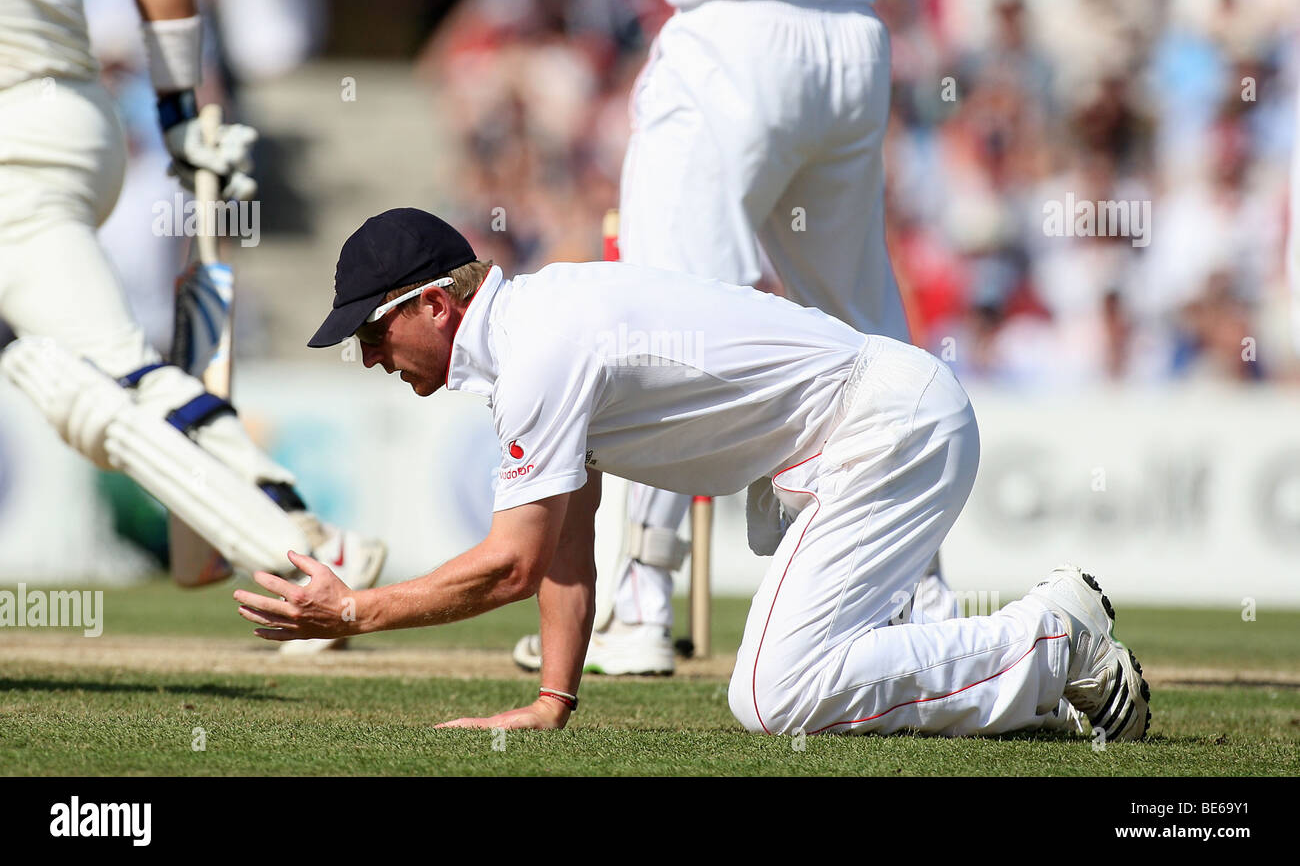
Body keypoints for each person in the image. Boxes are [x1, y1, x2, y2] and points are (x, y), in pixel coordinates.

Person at [235, 208, 1150, 740]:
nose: (369, 358)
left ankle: (1047, 641)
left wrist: (355, 610)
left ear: (435, 305)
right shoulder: (533, 334)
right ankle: (1031, 675)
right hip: (877, 425)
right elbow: (562, 548)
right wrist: (555, 699)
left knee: (771, 694)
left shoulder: (540, 346)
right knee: (792, 681)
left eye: (371, 332)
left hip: (888, 429)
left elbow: (511, 564)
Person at [509, 0, 949, 676]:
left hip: (734, 32)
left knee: (656, 317)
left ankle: (637, 596)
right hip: (850, 35)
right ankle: (917, 589)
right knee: (861, 325)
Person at [0, 0, 385, 648]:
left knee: (88, 377)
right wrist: (179, 115)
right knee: (118, 372)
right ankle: (307, 536)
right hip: (84, 129)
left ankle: (305, 559)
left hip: (13, 154)